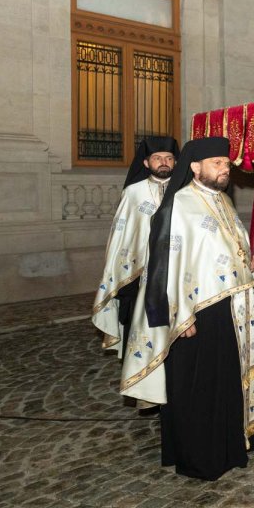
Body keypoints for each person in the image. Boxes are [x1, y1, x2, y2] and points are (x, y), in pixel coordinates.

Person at [132, 137, 254, 481]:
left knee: (225, 380)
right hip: (196, 310)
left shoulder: (222, 200)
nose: (225, 169)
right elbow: (164, 263)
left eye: (227, 164)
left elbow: (224, 249)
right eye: (217, 163)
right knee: (199, 385)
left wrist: (246, 261)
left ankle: (228, 446)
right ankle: (199, 457)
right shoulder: (180, 204)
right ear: (195, 167)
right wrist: (179, 314)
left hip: (230, 306)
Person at [92, 136, 179, 360]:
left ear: (176, 162)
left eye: (169, 158)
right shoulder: (134, 192)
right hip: (142, 272)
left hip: (179, 271)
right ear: (146, 162)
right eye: (157, 158)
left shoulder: (185, 191)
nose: (164, 162)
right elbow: (121, 234)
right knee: (140, 322)